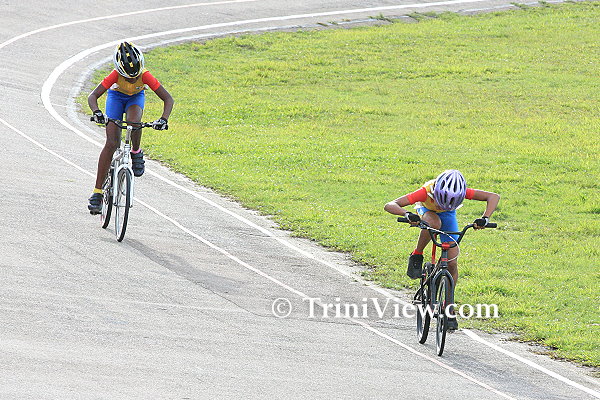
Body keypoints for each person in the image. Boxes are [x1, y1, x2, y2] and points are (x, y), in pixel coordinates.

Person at [384, 170, 500, 329]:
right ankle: (417, 254)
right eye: (440, 201)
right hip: (426, 212)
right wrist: (407, 214)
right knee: (434, 223)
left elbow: (493, 196)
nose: (440, 206)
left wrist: (485, 218)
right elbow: (390, 205)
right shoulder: (425, 192)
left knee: (452, 261)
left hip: (448, 215)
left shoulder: (461, 192)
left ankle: (448, 306)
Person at [87, 41, 174, 214]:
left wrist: (164, 119)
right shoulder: (114, 75)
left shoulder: (145, 75)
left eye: (135, 77)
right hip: (116, 98)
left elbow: (168, 99)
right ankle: (97, 192)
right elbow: (93, 96)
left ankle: (136, 151)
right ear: (120, 72)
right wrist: (97, 112)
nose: (133, 80)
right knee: (112, 143)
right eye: (128, 78)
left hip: (135, 98)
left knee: (134, 122)